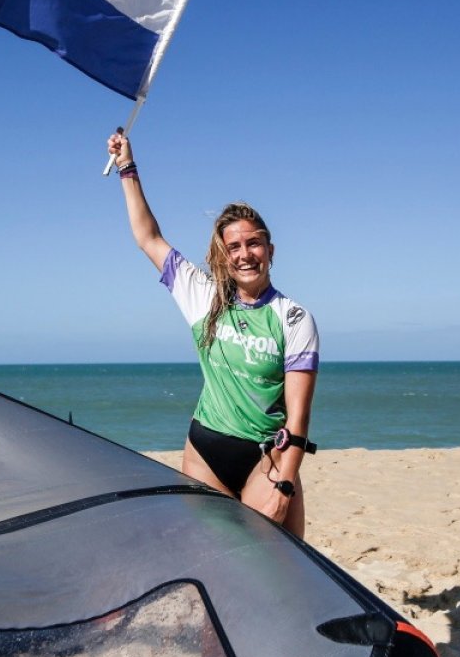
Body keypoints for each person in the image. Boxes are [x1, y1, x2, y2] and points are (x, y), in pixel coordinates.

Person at [108, 131, 319, 538]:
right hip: (205, 450)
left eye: (254, 244)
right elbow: (148, 238)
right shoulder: (203, 297)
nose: (245, 254)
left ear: (270, 251)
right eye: (234, 247)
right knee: (215, 558)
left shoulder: (294, 319)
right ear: (224, 255)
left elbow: (298, 418)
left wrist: (285, 486)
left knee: (278, 559)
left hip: (266, 457)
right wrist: (126, 168)